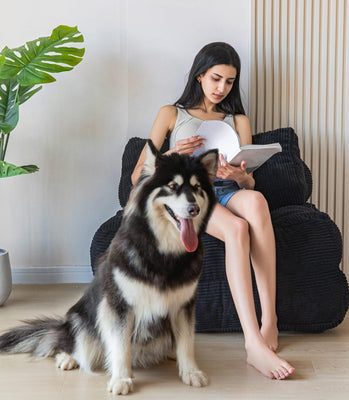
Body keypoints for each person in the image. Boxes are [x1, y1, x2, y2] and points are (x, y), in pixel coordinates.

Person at [131, 42, 295, 380]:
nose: (222, 89)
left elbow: (250, 182)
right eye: (216, 79)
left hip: (228, 189)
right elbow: (138, 176)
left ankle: (270, 321)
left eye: (230, 82)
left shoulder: (238, 119)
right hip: (193, 194)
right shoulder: (171, 114)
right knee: (236, 229)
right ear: (200, 75)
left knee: (258, 200)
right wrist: (173, 153)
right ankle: (253, 343)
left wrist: (240, 175)